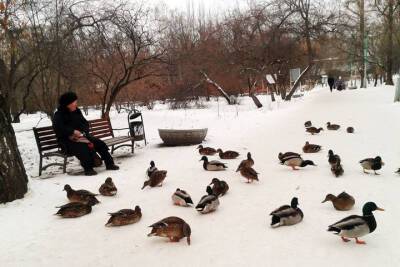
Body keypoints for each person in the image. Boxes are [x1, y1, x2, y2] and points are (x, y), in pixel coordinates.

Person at [53, 92, 119, 176]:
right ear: (67, 104)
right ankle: (88, 169)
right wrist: (72, 131)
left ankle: (110, 164)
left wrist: (84, 131)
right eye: (74, 102)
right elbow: (58, 128)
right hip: (66, 141)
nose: (76, 103)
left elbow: (85, 123)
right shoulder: (59, 115)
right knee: (83, 147)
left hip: (81, 137)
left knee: (99, 143)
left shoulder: (77, 111)